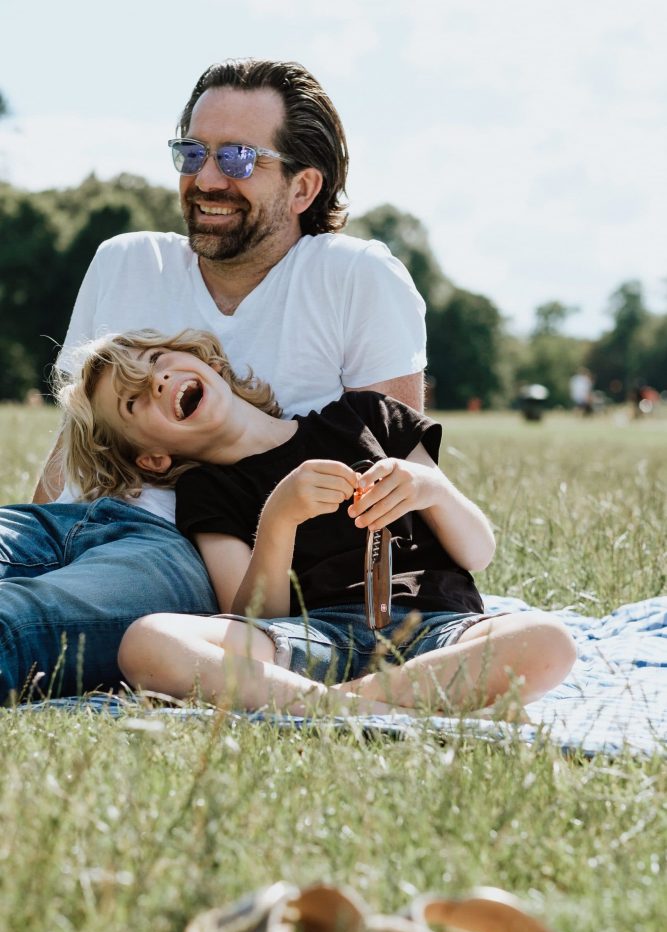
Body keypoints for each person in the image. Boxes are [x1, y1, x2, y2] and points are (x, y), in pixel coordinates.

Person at [0, 59, 427, 703]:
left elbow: (394, 487)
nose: (204, 178)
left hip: (178, 556)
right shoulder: (125, 260)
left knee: (20, 623)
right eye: (193, 151)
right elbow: (73, 443)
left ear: (303, 186)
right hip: (62, 524)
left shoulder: (356, 279)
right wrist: (37, 523)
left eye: (237, 159)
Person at [56, 327, 576, 715]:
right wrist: (279, 518)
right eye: (134, 399)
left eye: (156, 361)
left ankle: (341, 707)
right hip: (313, 638)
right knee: (147, 641)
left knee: (549, 641)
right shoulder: (207, 490)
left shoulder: (368, 417)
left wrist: (429, 489)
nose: (159, 380)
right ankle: (374, 706)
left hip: (438, 626)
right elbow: (257, 614)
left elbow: (478, 552)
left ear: (201, 358)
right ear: (152, 459)